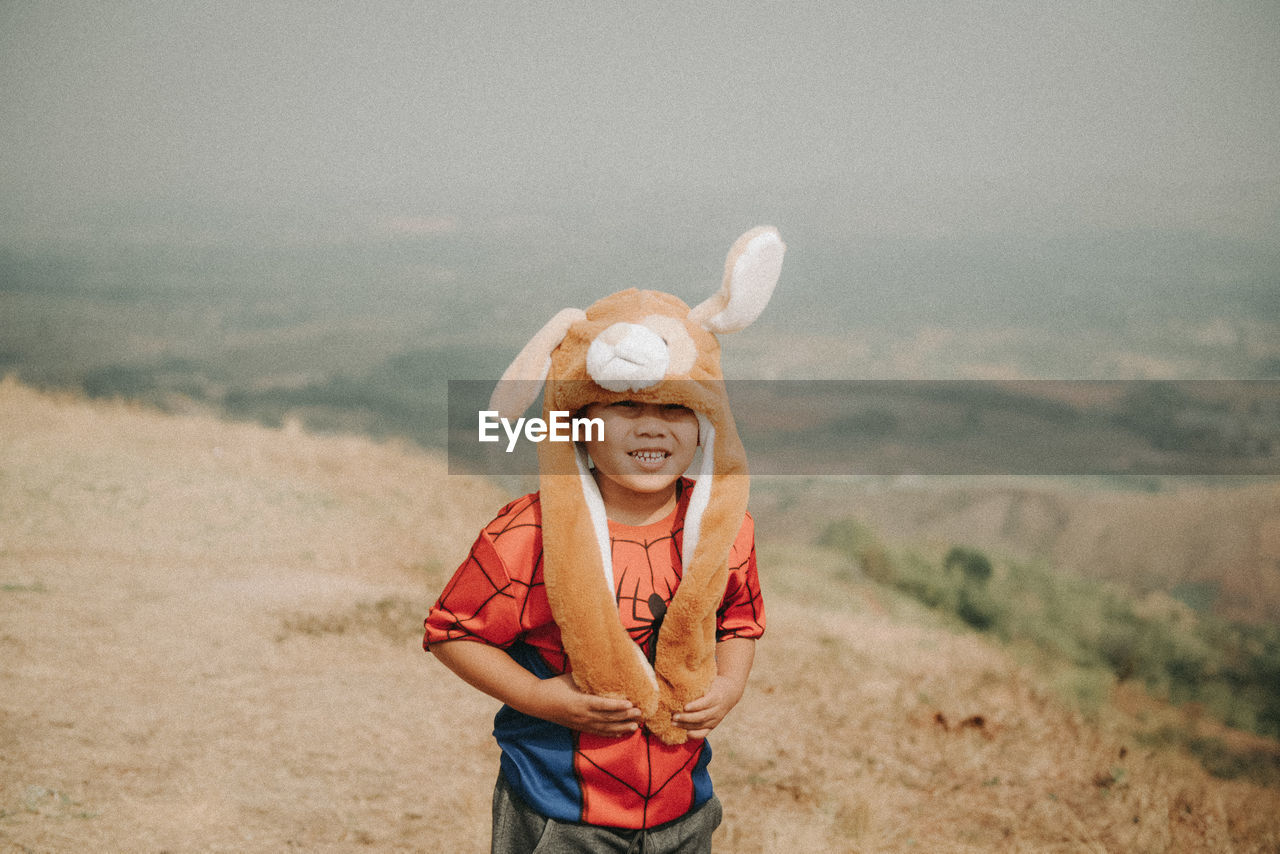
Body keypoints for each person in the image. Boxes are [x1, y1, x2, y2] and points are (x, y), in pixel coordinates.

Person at [424, 226, 784, 853]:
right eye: (624, 408)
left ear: (705, 428)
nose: (652, 428)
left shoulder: (725, 532)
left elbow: (739, 623)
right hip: (559, 810)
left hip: (683, 805)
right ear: (578, 425)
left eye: (676, 410)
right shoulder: (527, 534)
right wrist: (537, 697)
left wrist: (727, 686)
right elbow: (451, 633)